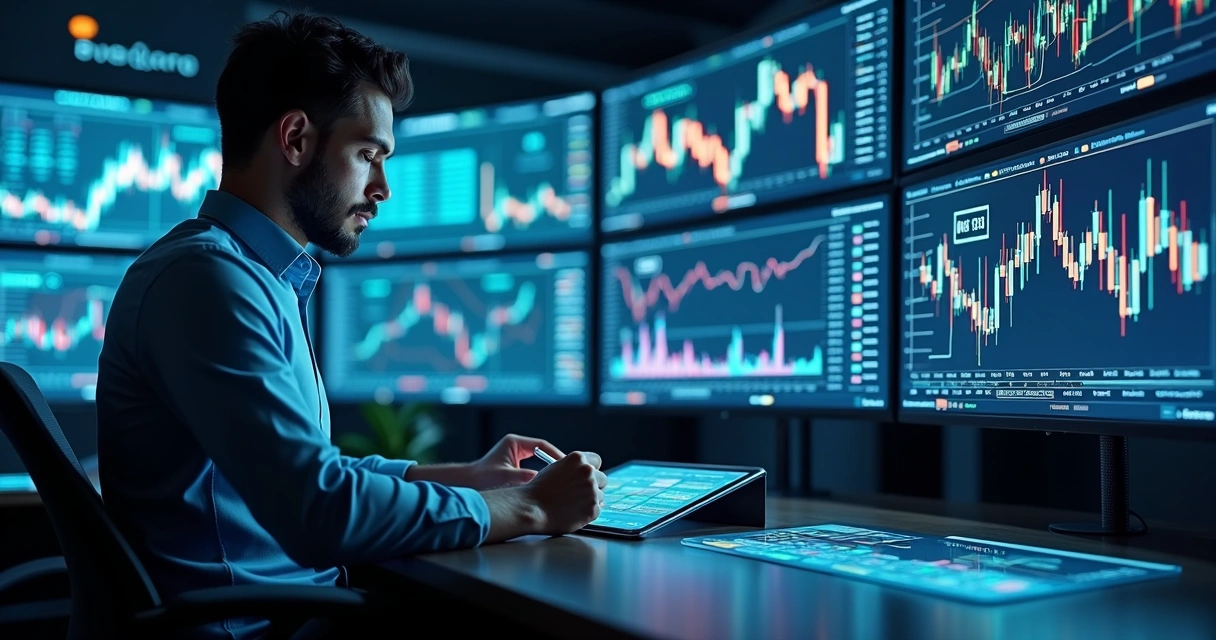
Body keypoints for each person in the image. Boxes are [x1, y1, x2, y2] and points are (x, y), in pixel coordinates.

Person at [96, 10, 607, 639]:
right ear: (296, 139)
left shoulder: (254, 276)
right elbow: (317, 511)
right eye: (368, 155)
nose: (383, 187)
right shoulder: (209, 282)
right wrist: (528, 505)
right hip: (256, 628)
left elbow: (309, 474)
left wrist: (463, 477)